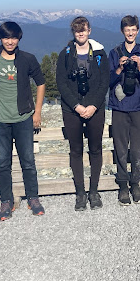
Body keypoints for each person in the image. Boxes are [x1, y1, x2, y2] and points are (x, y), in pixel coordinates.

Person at [0, 21, 46, 220]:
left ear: (19, 38)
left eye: (14, 37)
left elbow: (41, 83)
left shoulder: (27, 59)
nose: (10, 41)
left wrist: (37, 112)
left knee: (28, 161)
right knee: (3, 163)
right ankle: (6, 200)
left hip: (24, 118)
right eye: (6, 37)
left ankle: (33, 198)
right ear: (0, 38)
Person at [57, 17, 110, 211]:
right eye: (77, 29)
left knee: (95, 149)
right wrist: (77, 106)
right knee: (76, 150)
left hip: (95, 108)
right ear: (73, 32)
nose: (80, 32)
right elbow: (61, 83)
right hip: (72, 109)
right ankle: (81, 192)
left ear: (89, 31)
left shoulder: (99, 53)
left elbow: (105, 80)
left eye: (83, 29)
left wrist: (94, 105)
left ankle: (93, 191)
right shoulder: (65, 54)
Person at [108, 15, 140, 205]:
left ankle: (136, 183)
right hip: (119, 106)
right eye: (127, 30)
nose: (130, 33)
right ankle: (123, 184)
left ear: (137, 31)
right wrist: (119, 68)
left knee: (138, 148)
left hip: (138, 106)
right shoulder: (115, 53)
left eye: (133, 30)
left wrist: (139, 66)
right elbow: (108, 81)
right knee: (121, 147)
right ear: (122, 31)